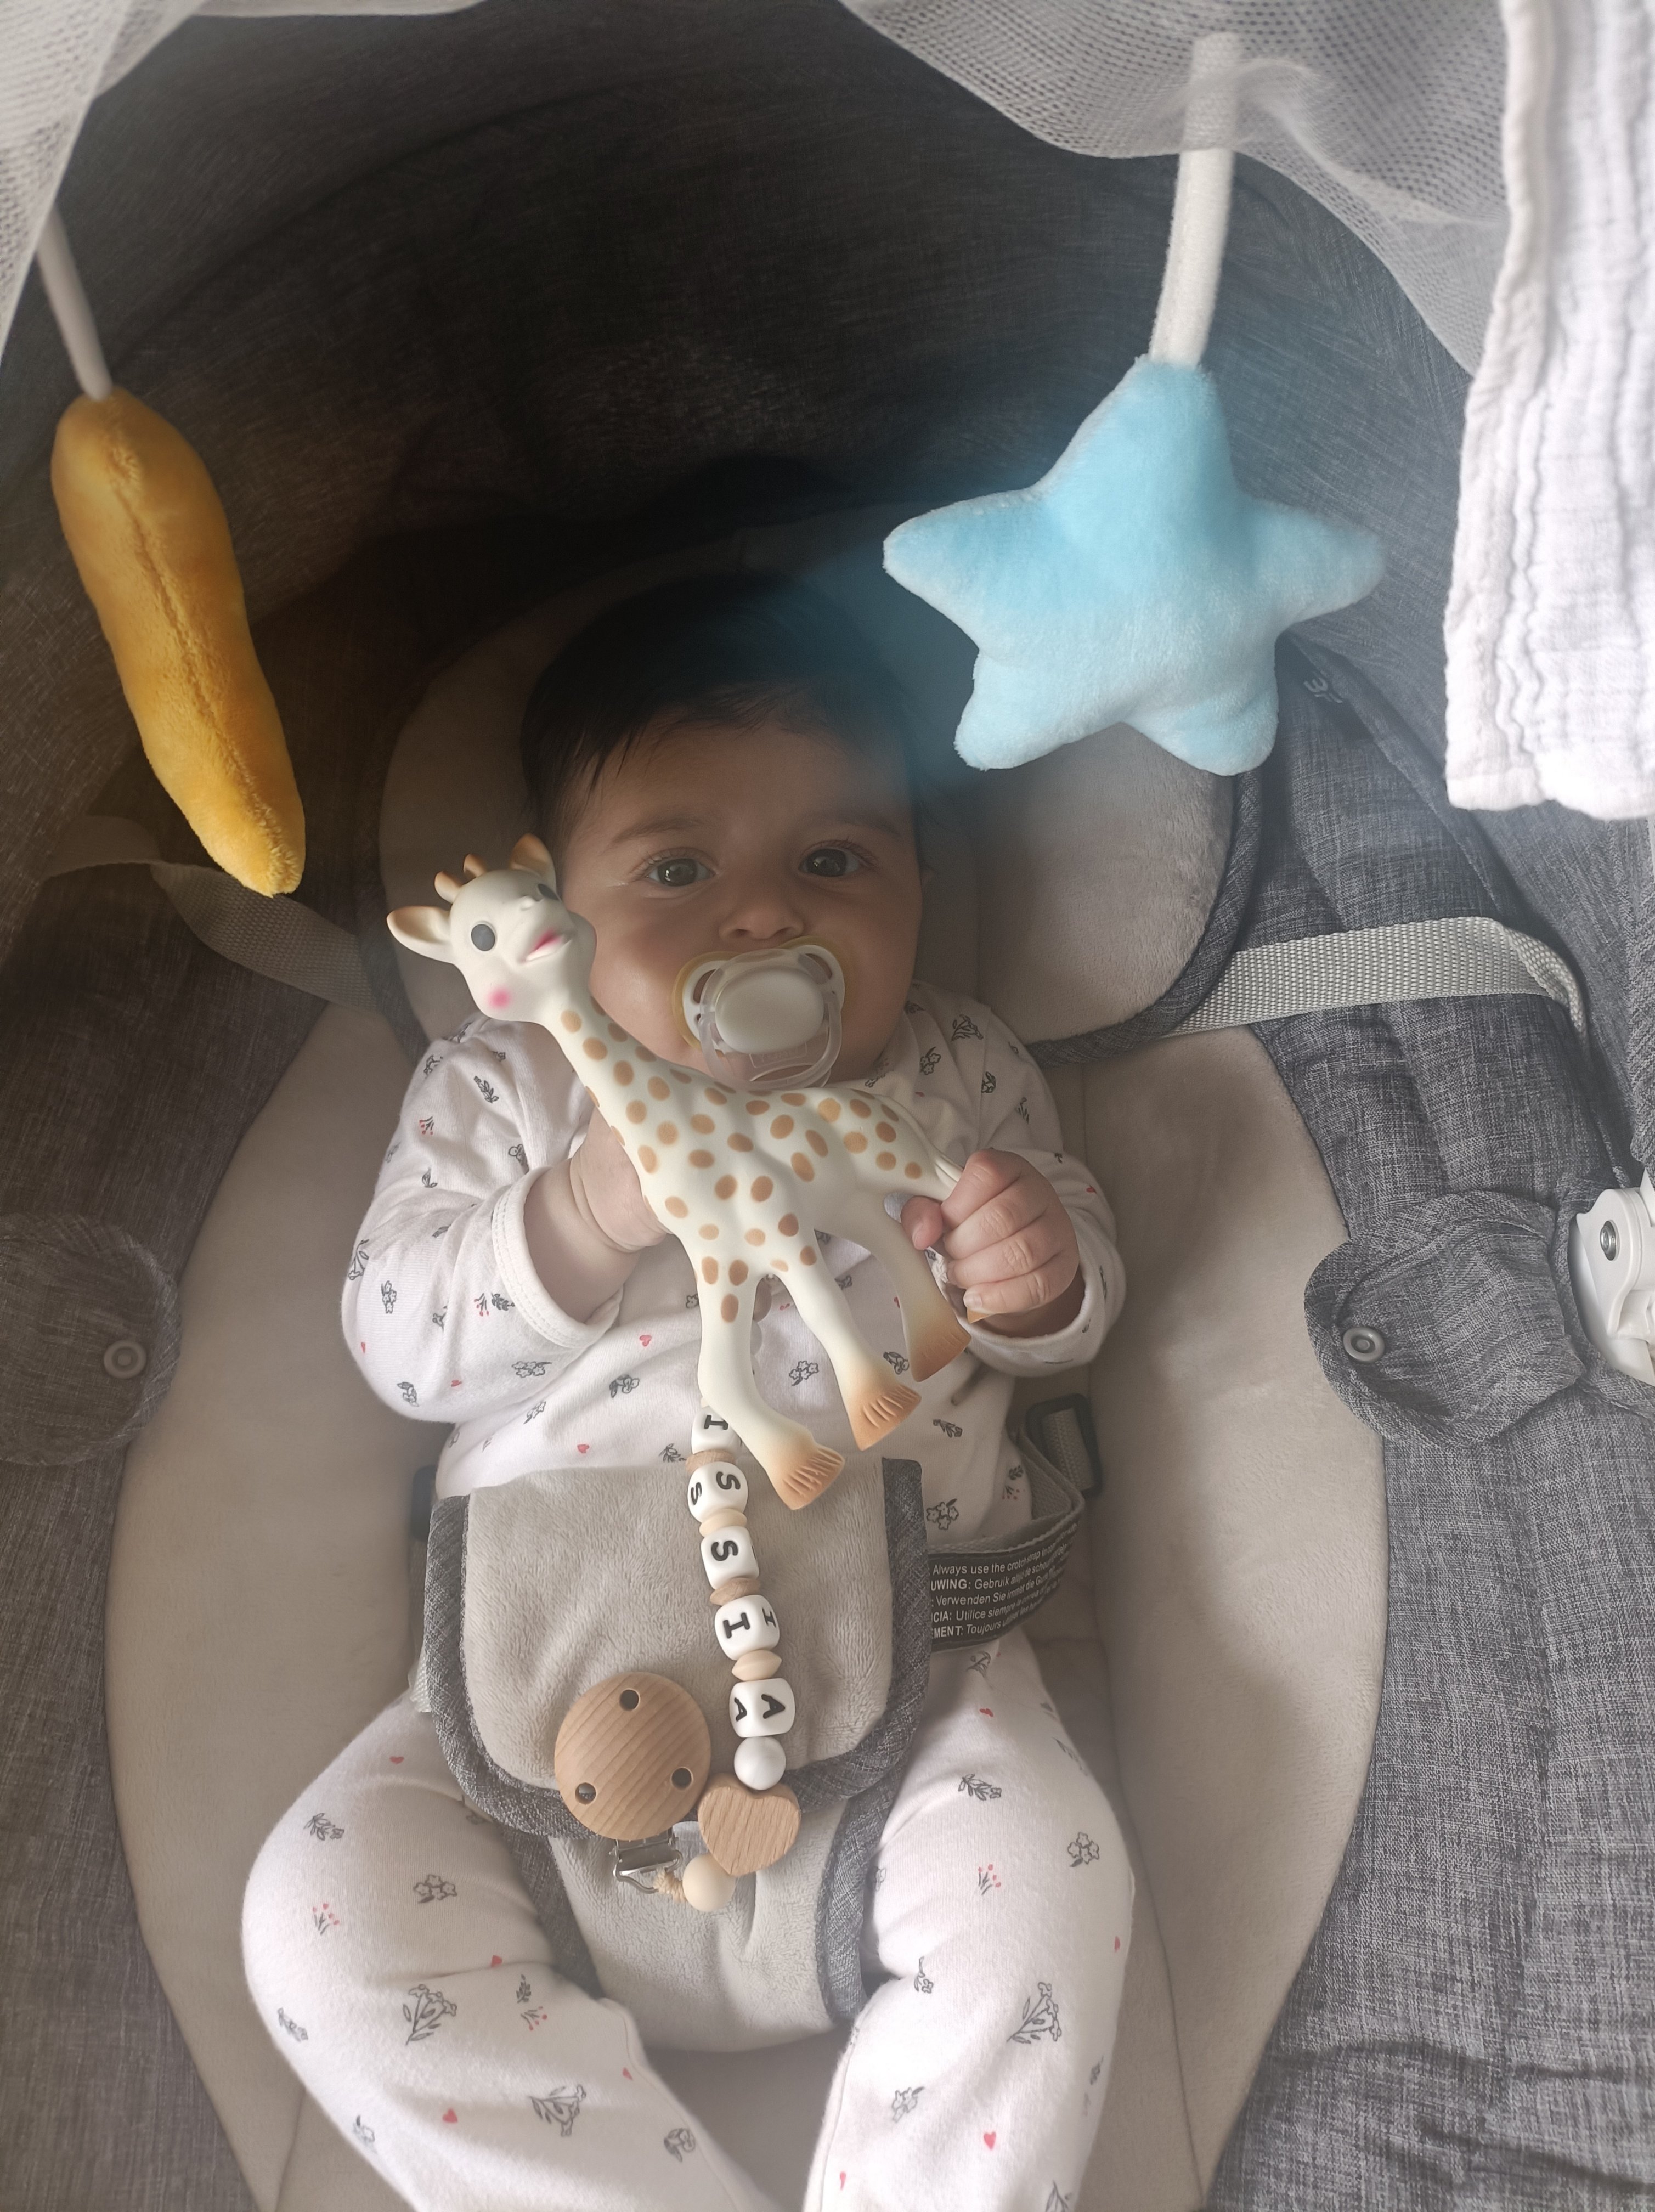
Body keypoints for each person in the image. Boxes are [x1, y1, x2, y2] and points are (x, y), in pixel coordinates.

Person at [242, 574, 1133, 2211]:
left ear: (920, 887)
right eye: (676, 870)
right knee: (320, 1915)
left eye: (837, 861)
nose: (762, 918)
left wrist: (1039, 1275)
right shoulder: (509, 1086)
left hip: (914, 1669)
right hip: (529, 1673)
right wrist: (582, 1212)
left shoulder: (951, 1071)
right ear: (558, 911)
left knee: (1047, 1897)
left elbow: (1072, 1297)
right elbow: (398, 1338)